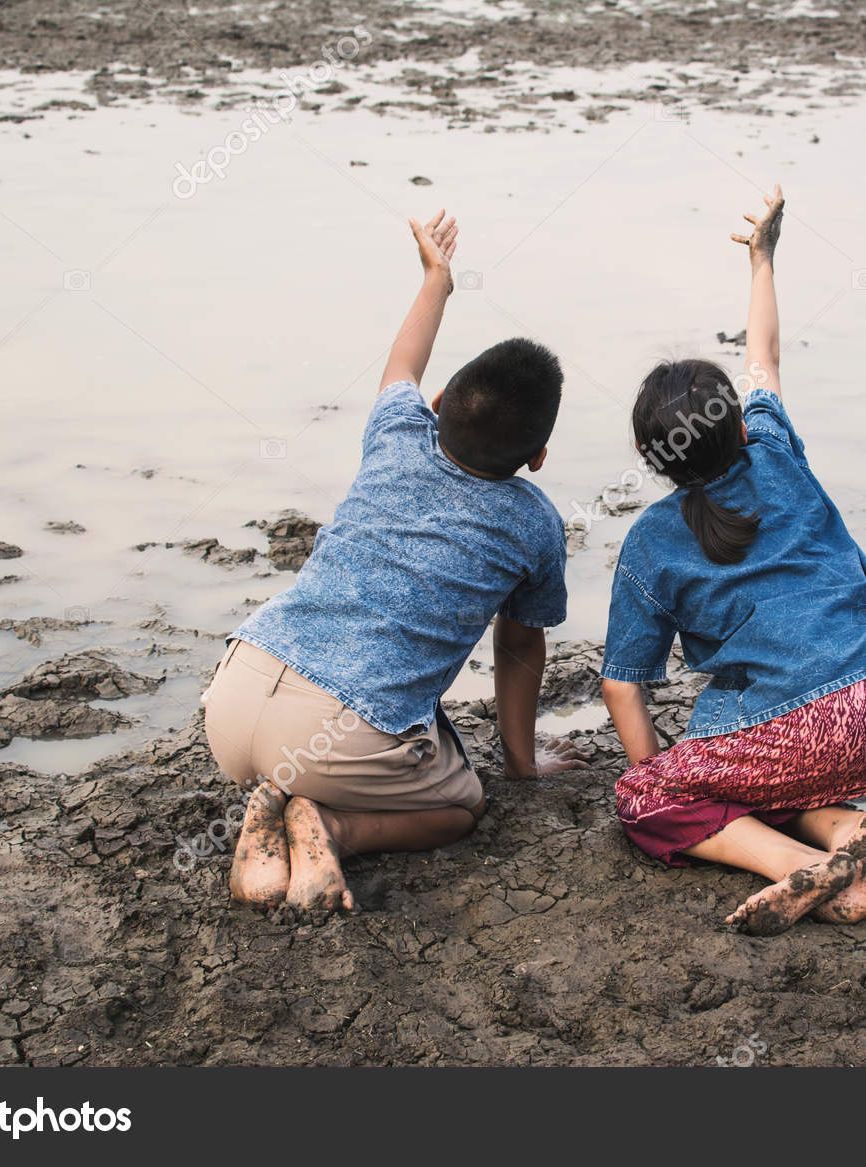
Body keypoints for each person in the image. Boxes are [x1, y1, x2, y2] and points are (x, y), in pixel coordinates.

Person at [203, 209, 584, 917]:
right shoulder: (532, 522)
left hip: (237, 693)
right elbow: (519, 644)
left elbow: (402, 363)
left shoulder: (397, 430)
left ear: (436, 405)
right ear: (536, 459)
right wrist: (523, 764)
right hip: (334, 738)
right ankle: (330, 824)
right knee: (464, 805)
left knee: (333, 735)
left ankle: (269, 828)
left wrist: (437, 279)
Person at [600, 186, 866, 936]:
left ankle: (791, 866)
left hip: (809, 725)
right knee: (766, 765)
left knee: (648, 800)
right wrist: (764, 259)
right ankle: (846, 835)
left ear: (644, 456)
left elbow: (623, 685)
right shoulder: (778, 449)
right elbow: (765, 358)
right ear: (737, 426)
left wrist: (660, 773)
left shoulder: (651, 543)